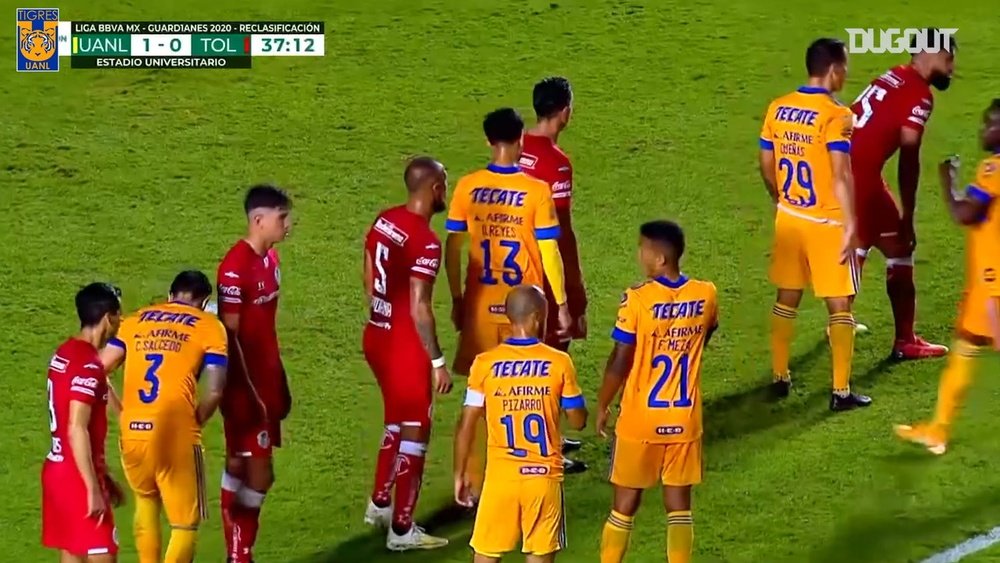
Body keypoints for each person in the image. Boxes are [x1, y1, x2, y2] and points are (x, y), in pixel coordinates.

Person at [445, 107, 571, 499]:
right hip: (525, 308)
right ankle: (529, 470)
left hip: (481, 306)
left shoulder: (466, 187)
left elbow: (452, 248)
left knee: (481, 397)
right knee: (531, 389)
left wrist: (456, 297)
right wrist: (562, 303)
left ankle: (476, 483)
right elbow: (550, 251)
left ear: (487, 140)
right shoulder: (536, 191)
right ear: (520, 138)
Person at [759, 37, 871, 410]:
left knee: (787, 297)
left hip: (790, 217)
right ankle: (840, 392)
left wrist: (779, 197)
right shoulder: (837, 116)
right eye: (846, 68)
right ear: (835, 70)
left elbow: (765, 159)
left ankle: (779, 376)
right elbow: (841, 175)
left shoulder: (779, 108)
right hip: (826, 222)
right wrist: (852, 223)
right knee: (840, 306)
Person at [596, 221, 717, 563]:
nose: (640, 254)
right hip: (684, 417)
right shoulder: (705, 293)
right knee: (679, 507)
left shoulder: (638, 299)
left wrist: (603, 403)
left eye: (644, 248)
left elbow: (620, 360)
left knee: (624, 506)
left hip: (640, 420)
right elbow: (707, 332)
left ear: (660, 258)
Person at [100, 271, 227, 563]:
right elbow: (216, 390)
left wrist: (122, 413)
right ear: (204, 301)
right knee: (184, 525)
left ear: (170, 295)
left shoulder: (134, 321)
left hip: (133, 433)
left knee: (145, 501)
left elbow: (96, 372)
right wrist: (196, 420)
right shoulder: (209, 325)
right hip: (176, 433)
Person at [894, 100, 1000, 454]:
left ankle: (938, 430)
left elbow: (964, 213)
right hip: (986, 282)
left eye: (992, 123)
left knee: (971, 346)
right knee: (965, 347)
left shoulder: (992, 169)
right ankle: (938, 430)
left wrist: (947, 179)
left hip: (994, 283)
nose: (983, 129)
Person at [454, 284, 587, 563]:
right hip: (543, 479)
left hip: (501, 480)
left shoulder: (484, 364)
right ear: (538, 317)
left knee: (485, 557)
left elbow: (466, 423)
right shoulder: (559, 362)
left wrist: (460, 473)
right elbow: (578, 421)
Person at [361, 157, 453, 551]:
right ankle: (402, 529)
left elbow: (368, 276)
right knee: (416, 432)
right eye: (444, 184)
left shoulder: (385, 220)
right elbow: (419, 307)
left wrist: (382, 313)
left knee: (395, 422)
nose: (445, 191)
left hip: (377, 335)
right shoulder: (425, 241)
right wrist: (437, 361)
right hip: (404, 346)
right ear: (433, 188)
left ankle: (380, 504)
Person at [849, 28, 956, 359]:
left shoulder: (892, 75)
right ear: (929, 54)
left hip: (843, 171)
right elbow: (909, 158)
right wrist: (908, 216)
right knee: (895, 242)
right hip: (860, 180)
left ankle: (842, 320)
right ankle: (904, 341)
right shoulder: (919, 95)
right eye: (949, 58)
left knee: (875, 245)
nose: (952, 68)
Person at [216, 185, 293, 563]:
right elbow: (229, 337)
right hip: (244, 388)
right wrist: (250, 394)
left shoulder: (272, 260)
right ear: (258, 220)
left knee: (237, 465)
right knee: (260, 476)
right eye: (282, 217)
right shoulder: (234, 268)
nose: (288, 224)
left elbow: (267, 328)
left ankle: (237, 548)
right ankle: (239, 554)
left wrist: (279, 378)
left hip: (265, 379)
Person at [521, 76, 588, 473]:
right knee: (552, 356)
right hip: (547, 272)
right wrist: (573, 289)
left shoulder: (516, 148)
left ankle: (550, 436)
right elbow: (560, 230)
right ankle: (546, 447)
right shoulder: (556, 163)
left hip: (515, 268)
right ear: (564, 111)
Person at [42, 282, 125, 562]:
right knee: (104, 555)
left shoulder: (64, 353)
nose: (119, 323)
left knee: (73, 554)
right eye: (118, 316)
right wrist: (92, 487)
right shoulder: (88, 366)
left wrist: (103, 475)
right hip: (76, 480)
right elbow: (76, 427)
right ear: (107, 318)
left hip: (58, 469)